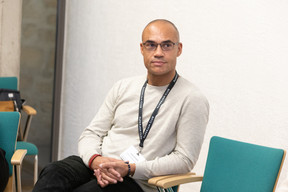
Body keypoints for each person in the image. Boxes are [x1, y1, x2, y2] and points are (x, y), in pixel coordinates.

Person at [33, 19, 209, 192]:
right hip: (99, 163)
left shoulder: (192, 98)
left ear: (179, 49)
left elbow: (184, 160)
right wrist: (97, 160)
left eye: (167, 45)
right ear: (142, 49)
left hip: (139, 179)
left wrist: (129, 167)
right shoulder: (123, 86)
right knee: (53, 173)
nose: (158, 52)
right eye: (151, 45)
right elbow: (92, 133)